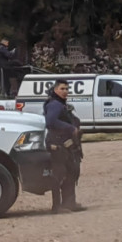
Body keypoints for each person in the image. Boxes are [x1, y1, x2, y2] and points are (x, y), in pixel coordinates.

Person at [44, 79, 86, 213]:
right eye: (62, 89)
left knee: (71, 172)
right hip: (57, 145)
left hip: (67, 146)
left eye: (67, 89)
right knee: (59, 175)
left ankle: (69, 203)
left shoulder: (61, 104)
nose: (65, 91)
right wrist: (70, 128)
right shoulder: (54, 104)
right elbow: (50, 122)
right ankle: (57, 206)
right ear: (55, 89)